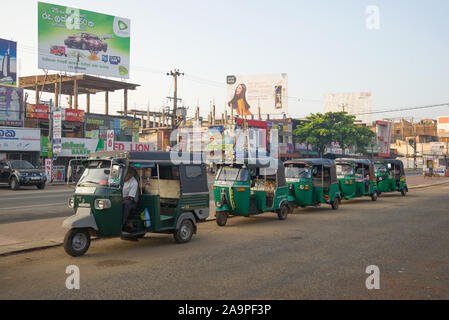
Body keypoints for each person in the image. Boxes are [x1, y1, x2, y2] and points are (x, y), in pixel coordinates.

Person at [122, 167, 139, 232]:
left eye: (129, 173)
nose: (127, 175)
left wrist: (121, 199)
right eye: (127, 173)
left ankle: (123, 223)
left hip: (130, 201)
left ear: (132, 174)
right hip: (119, 198)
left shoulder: (134, 182)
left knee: (125, 204)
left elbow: (130, 196)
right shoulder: (120, 179)